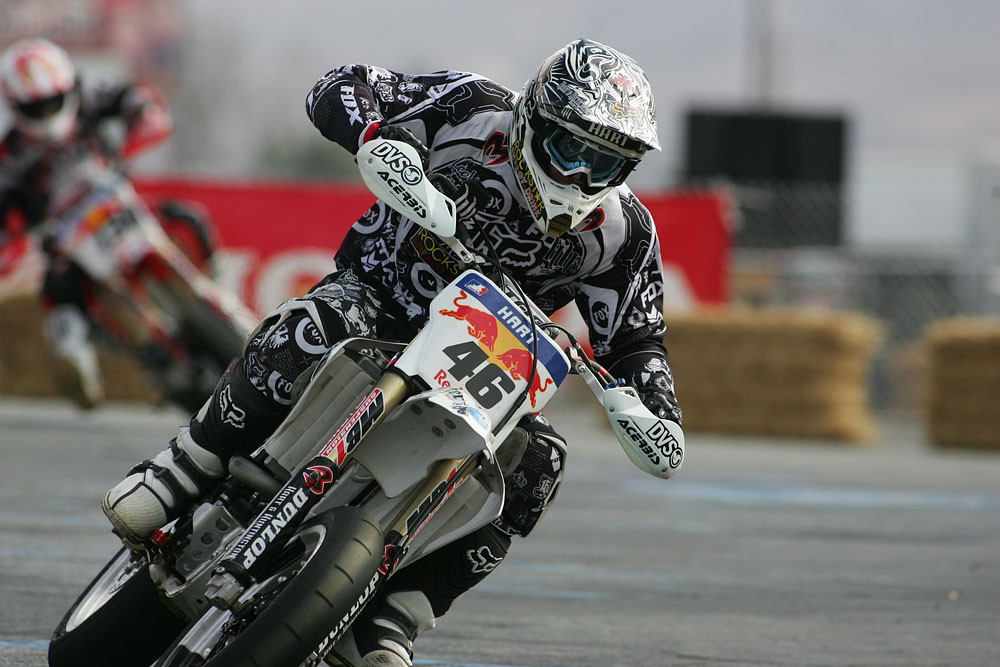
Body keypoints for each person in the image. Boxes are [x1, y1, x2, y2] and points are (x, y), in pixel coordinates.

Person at [102, 38, 683, 666]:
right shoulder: (471, 107)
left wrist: (653, 408)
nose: (580, 178)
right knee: (317, 321)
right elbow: (338, 86)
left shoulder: (625, 234)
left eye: (605, 164)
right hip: (383, 295)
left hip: (490, 360)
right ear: (533, 119)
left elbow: (637, 340)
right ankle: (187, 463)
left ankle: (394, 617)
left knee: (540, 465)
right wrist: (381, 139)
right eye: (570, 149)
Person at [0, 37, 213, 408]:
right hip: (64, 238)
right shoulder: (10, 155)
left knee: (187, 217)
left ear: (67, 87)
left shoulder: (91, 94)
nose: (47, 111)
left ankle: (214, 289)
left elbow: (140, 102)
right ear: (16, 106)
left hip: (113, 200)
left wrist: (142, 123)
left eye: (52, 100)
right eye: (36, 106)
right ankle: (77, 358)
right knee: (60, 282)